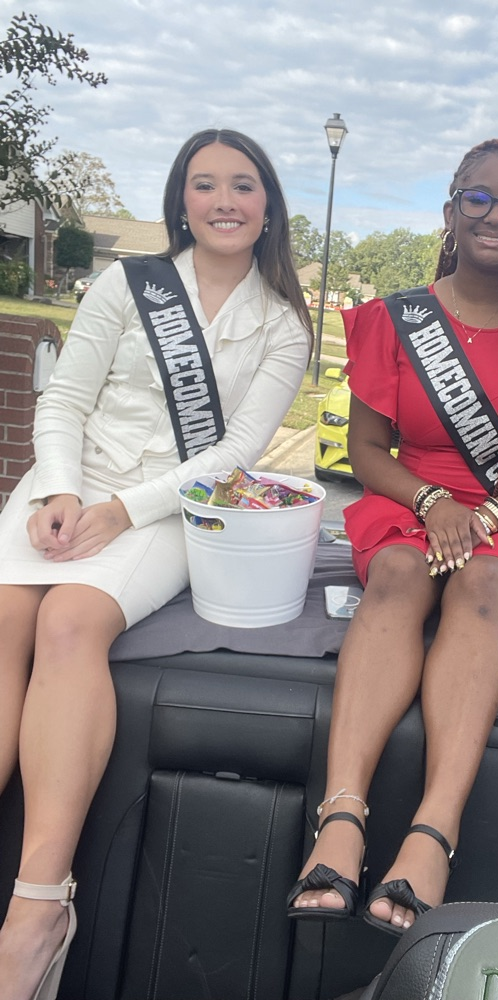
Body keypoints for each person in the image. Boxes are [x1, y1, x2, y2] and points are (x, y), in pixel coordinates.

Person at [0, 127, 312, 1000]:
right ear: (181, 199)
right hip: (70, 484)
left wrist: (118, 513)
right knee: (6, 618)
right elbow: (64, 396)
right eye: (205, 184)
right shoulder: (123, 282)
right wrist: (56, 490)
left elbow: (236, 453)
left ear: (267, 206)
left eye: (243, 186)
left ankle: (36, 907)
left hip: (170, 509)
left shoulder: (283, 323)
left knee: (68, 622)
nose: (223, 201)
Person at [287, 138, 498, 935]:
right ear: (450, 210)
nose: (495, 215)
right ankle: (344, 816)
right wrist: (432, 500)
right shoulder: (396, 320)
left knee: (483, 585)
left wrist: (487, 518)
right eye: (478, 197)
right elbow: (366, 453)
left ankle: (435, 828)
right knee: (397, 575)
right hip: (411, 499)